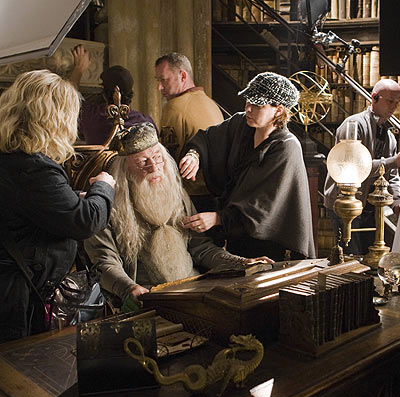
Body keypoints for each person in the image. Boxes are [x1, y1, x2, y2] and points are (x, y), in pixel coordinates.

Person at [84, 123, 271, 305]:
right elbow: (104, 263)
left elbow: (201, 248)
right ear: (124, 169)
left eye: (157, 157)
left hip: (192, 288)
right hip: (147, 296)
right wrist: (129, 288)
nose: (154, 167)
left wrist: (241, 263)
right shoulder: (105, 205)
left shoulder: (175, 193)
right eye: (142, 162)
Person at [0, 70, 115, 342]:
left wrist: (73, 195)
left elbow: (27, 202)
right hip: (17, 297)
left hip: (12, 286)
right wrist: (104, 187)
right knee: (20, 362)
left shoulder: (10, 158)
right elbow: (85, 221)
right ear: (54, 118)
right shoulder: (34, 168)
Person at [178, 72, 315, 261]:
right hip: (238, 238)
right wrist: (194, 155)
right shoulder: (241, 124)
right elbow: (207, 138)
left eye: (257, 105)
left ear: (278, 110)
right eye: (248, 101)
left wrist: (217, 218)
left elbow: (263, 206)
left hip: (271, 244)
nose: (248, 109)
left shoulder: (286, 148)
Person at [323, 78, 400, 255]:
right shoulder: (353, 126)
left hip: (371, 207)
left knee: (369, 257)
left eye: (397, 103)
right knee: (350, 256)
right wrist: (391, 161)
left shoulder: (389, 136)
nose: (393, 107)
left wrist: (397, 202)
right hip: (346, 203)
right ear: (374, 98)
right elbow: (351, 166)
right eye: (390, 101)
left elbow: (393, 175)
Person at [154, 52, 224, 212]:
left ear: (183, 76)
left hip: (191, 196)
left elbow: (167, 158)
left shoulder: (174, 107)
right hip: (217, 193)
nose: (159, 87)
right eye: (158, 81)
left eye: (164, 80)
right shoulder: (210, 103)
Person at [69, 45, 157, 145]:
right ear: (132, 91)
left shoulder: (92, 117)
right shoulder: (146, 123)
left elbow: (70, 99)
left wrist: (79, 68)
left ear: (104, 93)